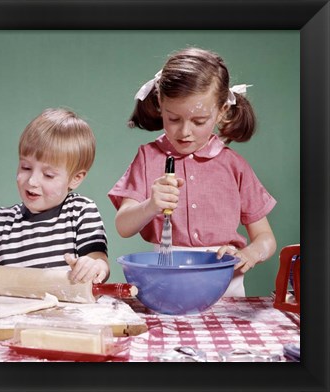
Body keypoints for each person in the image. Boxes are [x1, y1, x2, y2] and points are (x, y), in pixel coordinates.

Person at [108, 47, 277, 296]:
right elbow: (123, 226)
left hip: (225, 287)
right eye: (174, 119)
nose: (185, 132)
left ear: (221, 111)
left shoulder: (234, 166)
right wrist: (151, 205)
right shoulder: (147, 157)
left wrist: (249, 254)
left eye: (199, 121)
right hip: (166, 282)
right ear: (159, 105)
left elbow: (266, 239)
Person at [0, 108, 109, 284]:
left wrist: (92, 267)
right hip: (16, 311)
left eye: (48, 175)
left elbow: (99, 262)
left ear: (75, 178)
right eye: (26, 167)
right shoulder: (2, 222)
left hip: (71, 311)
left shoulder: (81, 212)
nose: (32, 181)